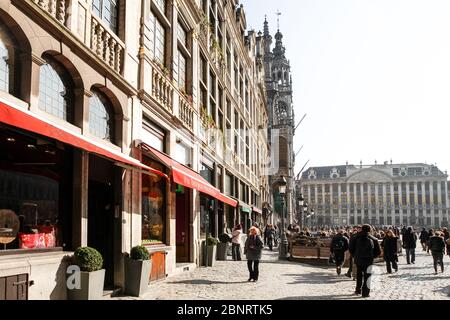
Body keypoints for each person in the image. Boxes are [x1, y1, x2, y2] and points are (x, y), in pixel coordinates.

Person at [349, 224, 381, 298]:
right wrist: (372, 257)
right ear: (369, 230)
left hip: (358, 259)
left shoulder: (354, 237)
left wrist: (355, 256)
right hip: (369, 260)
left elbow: (350, 249)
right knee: (367, 277)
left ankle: (358, 290)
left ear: (362, 229)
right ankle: (365, 293)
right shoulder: (374, 239)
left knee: (359, 275)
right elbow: (378, 252)